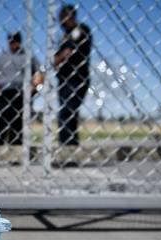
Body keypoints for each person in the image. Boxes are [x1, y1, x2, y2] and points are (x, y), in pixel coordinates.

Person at [0, 31, 43, 145]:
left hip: (19, 93)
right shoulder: (0, 57)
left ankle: (16, 155)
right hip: (2, 93)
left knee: (17, 125)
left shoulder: (27, 56)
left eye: (16, 40)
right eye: (11, 40)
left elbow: (39, 72)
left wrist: (34, 86)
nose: (13, 43)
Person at [54, 4, 91, 146]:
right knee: (67, 113)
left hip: (76, 78)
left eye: (61, 19)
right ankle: (69, 145)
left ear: (68, 17)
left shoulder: (79, 31)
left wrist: (56, 59)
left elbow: (67, 52)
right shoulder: (66, 34)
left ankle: (67, 147)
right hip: (65, 79)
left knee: (67, 112)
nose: (60, 23)